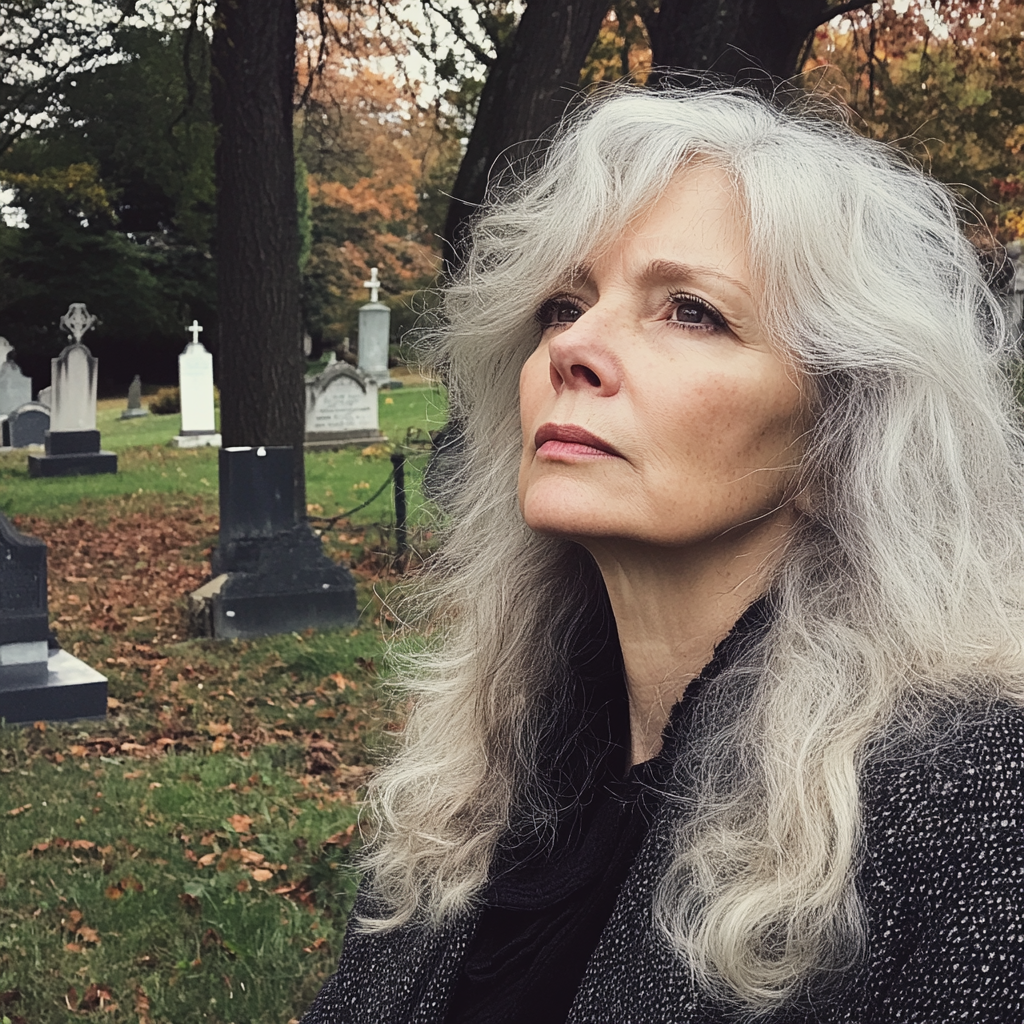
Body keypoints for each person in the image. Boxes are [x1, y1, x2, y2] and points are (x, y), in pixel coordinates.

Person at [300, 87, 1024, 1023]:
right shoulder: (483, 758)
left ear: (841, 436)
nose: (575, 346)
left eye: (690, 311)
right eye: (565, 302)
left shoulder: (978, 806)